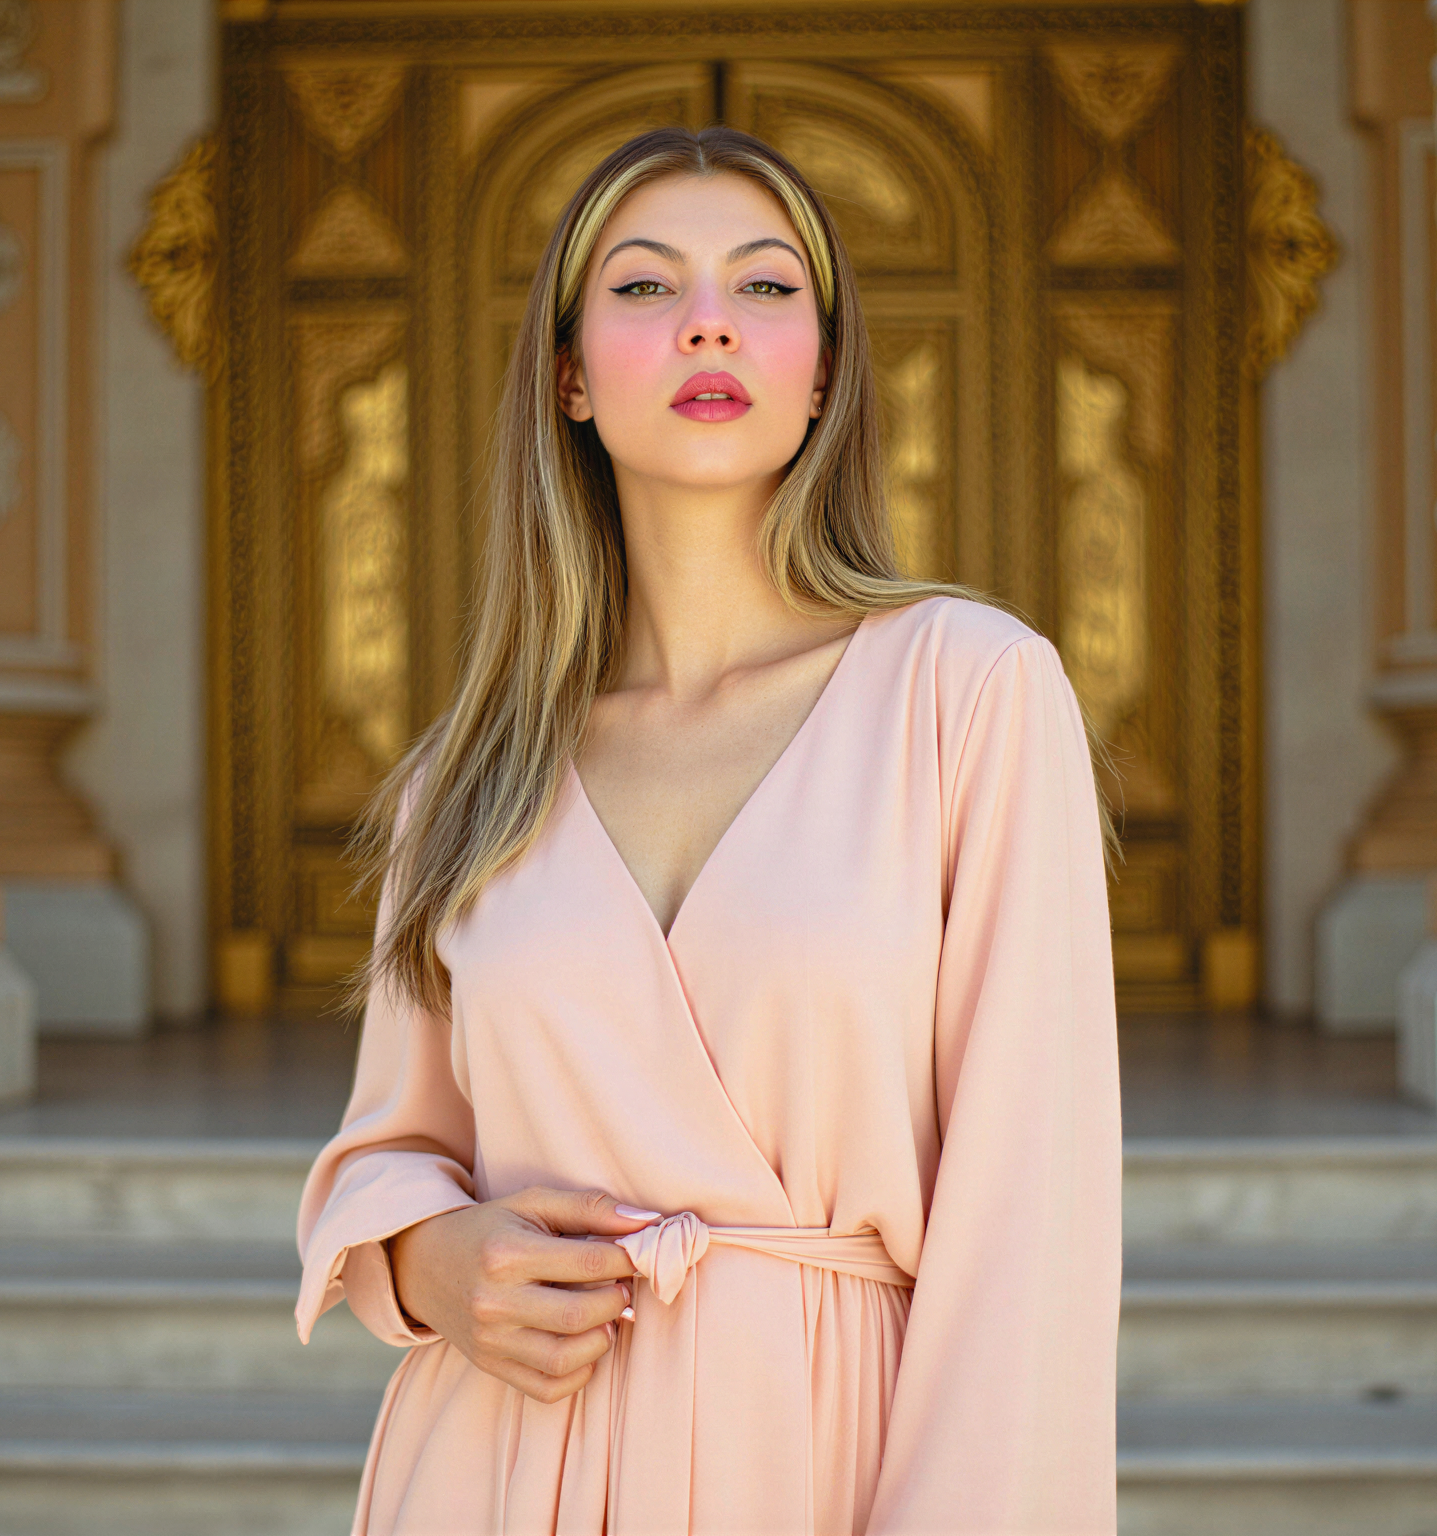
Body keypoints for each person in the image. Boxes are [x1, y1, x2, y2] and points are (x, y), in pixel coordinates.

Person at [294, 124, 1122, 1535]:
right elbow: (391, 1149)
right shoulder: (467, 775)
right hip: (503, 1470)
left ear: (824, 373)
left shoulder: (970, 692)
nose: (707, 323)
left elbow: (1028, 1223)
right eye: (642, 286)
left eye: (765, 285)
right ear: (568, 375)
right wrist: (433, 1262)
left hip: (824, 1456)